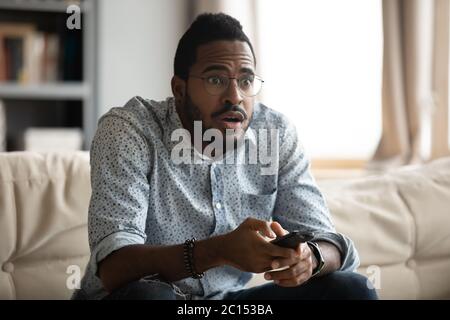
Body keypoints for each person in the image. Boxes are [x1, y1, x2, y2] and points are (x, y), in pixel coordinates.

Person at [72, 12, 377, 300]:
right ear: (179, 89)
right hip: (139, 298)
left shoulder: (275, 134)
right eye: (216, 80)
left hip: (227, 302)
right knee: (149, 296)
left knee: (351, 289)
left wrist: (312, 257)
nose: (235, 97)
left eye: (245, 81)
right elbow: (114, 268)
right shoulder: (130, 129)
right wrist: (218, 251)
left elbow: (334, 245)